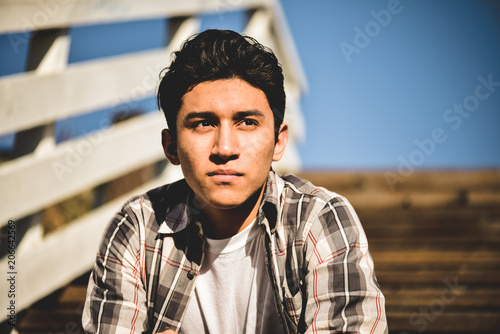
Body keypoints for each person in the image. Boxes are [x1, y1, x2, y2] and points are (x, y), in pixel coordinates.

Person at [82, 29, 388, 334]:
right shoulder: (137, 228)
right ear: (171, 146)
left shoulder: (320, 218)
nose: (225, 148)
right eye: (203, 123)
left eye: (247, 122)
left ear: (278, 142)